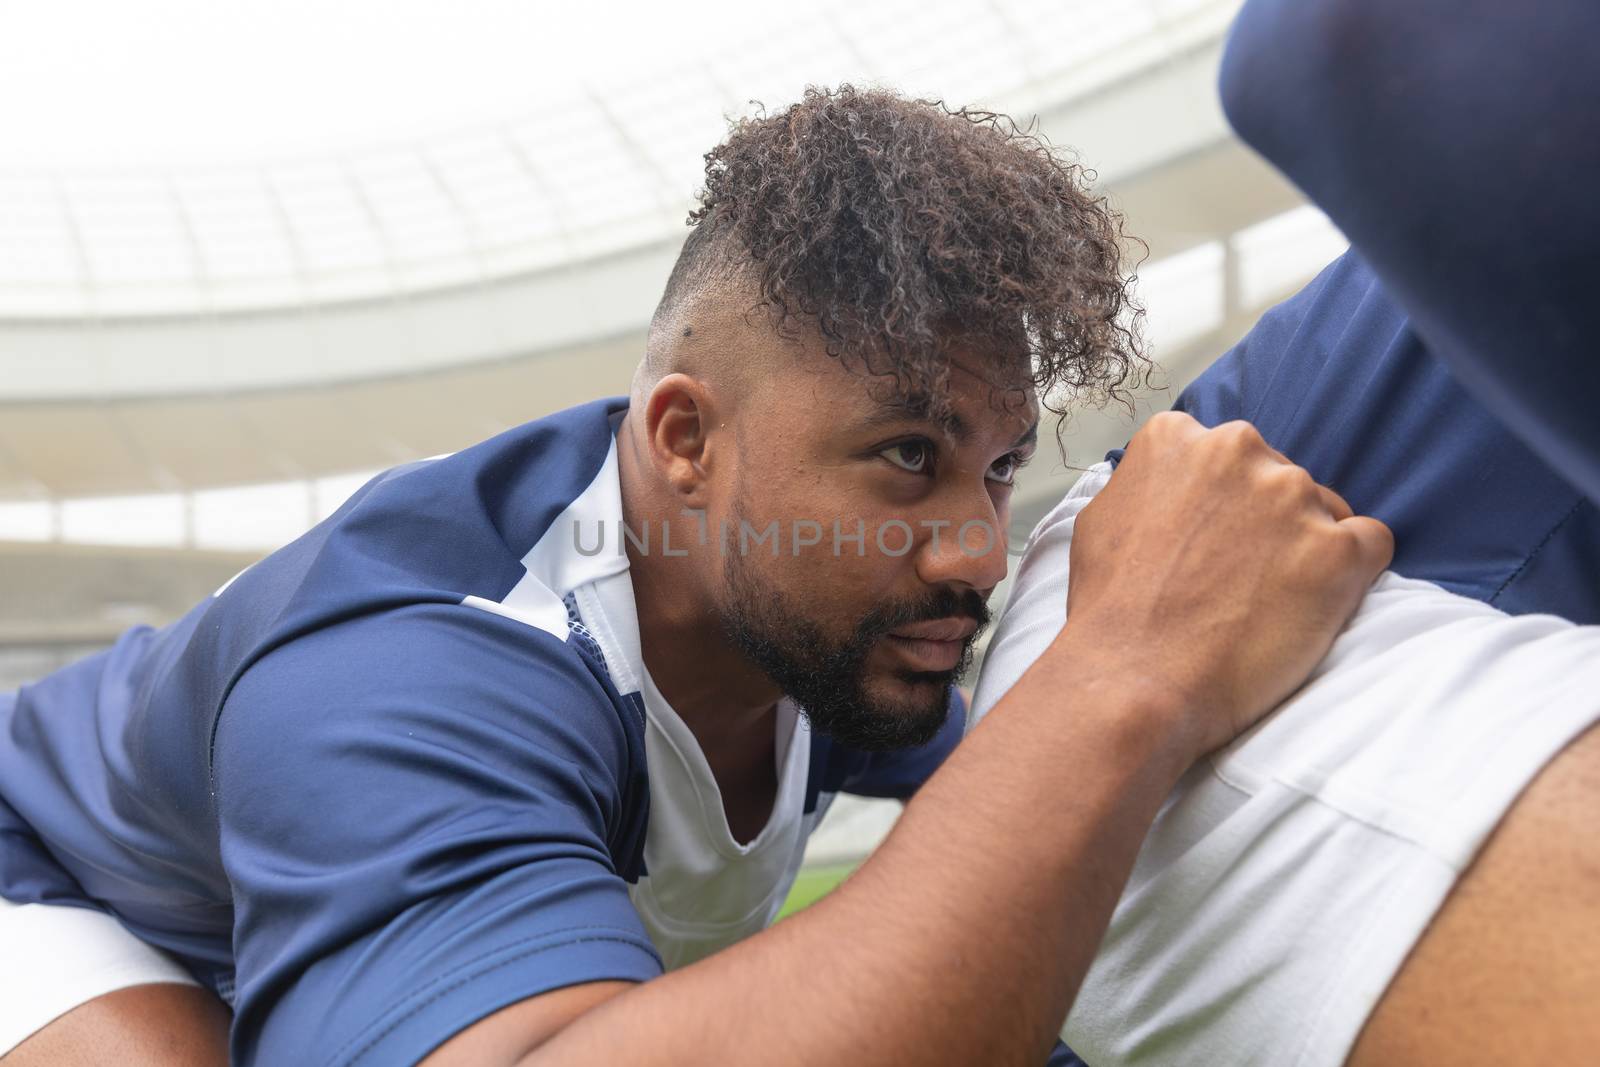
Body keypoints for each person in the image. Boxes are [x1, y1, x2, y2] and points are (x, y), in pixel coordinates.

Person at [0, 87, 1390, 1065]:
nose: (976, 546)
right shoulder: (409, 671)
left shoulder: (813, 610)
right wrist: (1122, 676)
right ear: (686, 439)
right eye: (907, 453)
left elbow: (1011, 884)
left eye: (999, 464)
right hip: (56, 890)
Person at [973, 1, 1600, 1063]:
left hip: (1156, 610)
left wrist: (1114, 676)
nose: (962, 552)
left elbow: (1332, 45)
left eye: (994, 467)